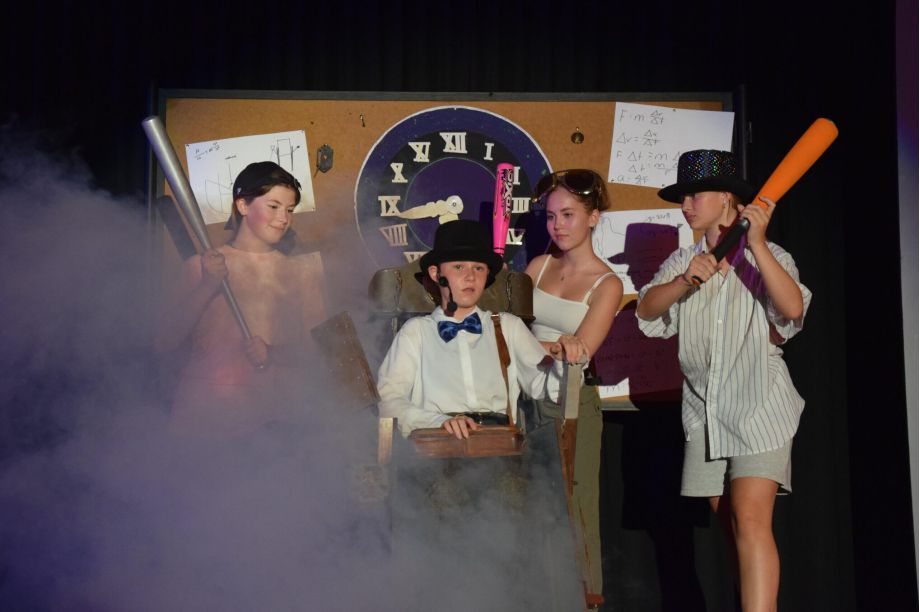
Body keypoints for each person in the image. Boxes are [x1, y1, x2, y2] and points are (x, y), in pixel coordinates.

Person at [635, 150, 811, 612]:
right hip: (705, 414)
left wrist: (759, 246)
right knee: (732, 530)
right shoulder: (683, 260)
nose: (686, 206)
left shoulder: (768, 256)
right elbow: (647, 311)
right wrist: (684, 282)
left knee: (751, 519)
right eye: (682, 198)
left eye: (695, 195)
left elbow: (793, 309)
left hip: (758, 407)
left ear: (727, 198)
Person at [155, 161, 326, 438]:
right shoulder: (200, 266)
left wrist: (273, 353)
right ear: (243, 205)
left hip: (268, 422)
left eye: (290, 209)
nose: (283, 218)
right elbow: (164, 342)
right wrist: (208, 286)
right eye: (273, 206)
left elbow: (317, 351)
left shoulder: (301, 272)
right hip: (203, 418)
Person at [376, 219, 569, 440]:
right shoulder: (416, 332)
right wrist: (437, 421)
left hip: (499, 443)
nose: (470, 277)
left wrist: (563, 363)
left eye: (478, 268)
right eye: (459, 267)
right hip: (440, 443)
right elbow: (388, 401)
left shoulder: (508, 327)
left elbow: (546, 388)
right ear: (435, 273)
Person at [525, 169, 623, 597]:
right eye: (551, 216)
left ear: (593, 217)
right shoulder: (538, 266)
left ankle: (583, 600)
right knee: (531, 503)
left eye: (568, 215)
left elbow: (580, 350)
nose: (557, 225)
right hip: (526, 398)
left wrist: (529, 343)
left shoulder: (607, 283)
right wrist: (538, 344)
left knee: (574, 505)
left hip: (572, 403)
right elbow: (503, 333)